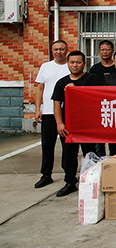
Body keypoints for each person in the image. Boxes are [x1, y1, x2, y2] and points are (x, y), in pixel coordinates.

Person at [52, 51, 103, 197]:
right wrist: (59, 123)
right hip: (69, 126)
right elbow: (57, 104)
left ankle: (91, 181)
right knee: (69, 154)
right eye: (72, 62)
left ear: (84, 64)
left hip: (87, 125)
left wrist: (76, 90)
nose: (75, 65)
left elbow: (96, 98)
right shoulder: (61, 82)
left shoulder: (92, 79)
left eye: (78, 62)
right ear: (68, 64)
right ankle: (69, 182)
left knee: (90, 153)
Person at [33, 40, 70, 189]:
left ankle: (69, 174)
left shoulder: (71, 66)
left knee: (67, 146)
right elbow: (40, 88)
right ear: (52, 51)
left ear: (67, 50)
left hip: (66, 112)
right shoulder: (45, 67)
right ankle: (46, 175)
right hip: (48, 111)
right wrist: (38, 109)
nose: (58, 52)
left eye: (61, 49)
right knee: (47, 145)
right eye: (55, 49)